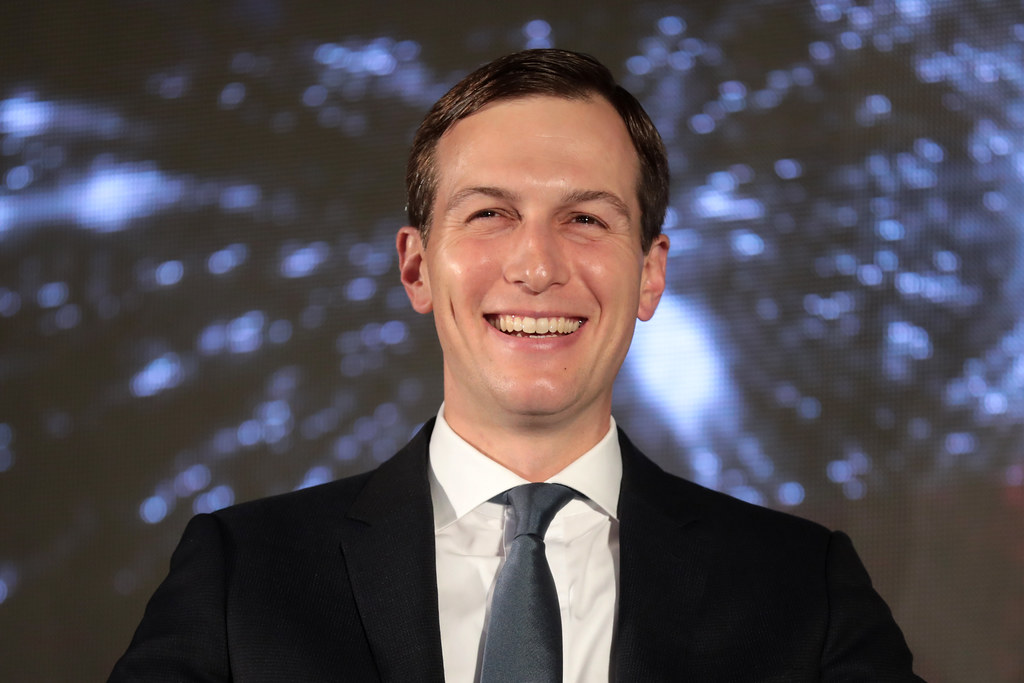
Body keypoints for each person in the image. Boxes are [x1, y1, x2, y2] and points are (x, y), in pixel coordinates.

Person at [110, 49, 922, 681]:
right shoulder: (241, 577)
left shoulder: (802, 590)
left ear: (650, 275)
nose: (537, 266)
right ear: (417, 267)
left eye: (586, 219)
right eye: (491, 213)